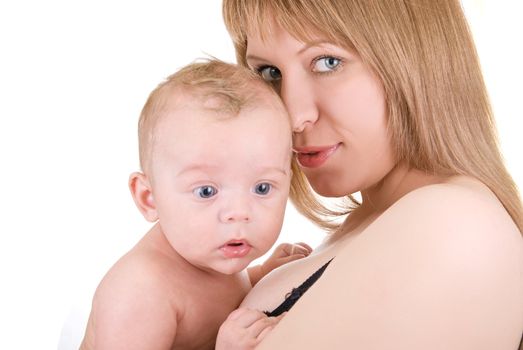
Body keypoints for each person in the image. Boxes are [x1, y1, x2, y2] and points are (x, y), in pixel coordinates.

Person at [222, 0, 523, 349]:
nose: (293, 115)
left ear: (415, 58)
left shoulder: (454, 223)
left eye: (327, 62)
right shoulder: (375, 225)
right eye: (270, 73)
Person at [79, 59, 312, 350]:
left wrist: (262, 276)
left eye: (262, 188)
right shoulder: (141, 293)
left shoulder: (206, 252)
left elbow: (218, 300)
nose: (238, 212)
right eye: (206, 192)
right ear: (148, 198)